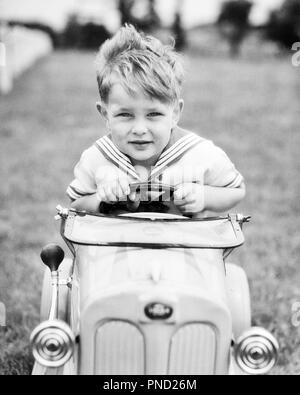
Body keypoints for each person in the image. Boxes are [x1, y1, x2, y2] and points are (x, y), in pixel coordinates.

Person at [67, 24, 245, 216]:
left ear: (175, 113)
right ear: (105, 115)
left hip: (183, 244)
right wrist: (101, 200)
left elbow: (235, 190)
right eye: (125, 115)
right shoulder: (97, 158)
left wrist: (204, 196)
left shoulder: (198, 153)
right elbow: (76, 206)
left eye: (153, 115)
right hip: (116, 244)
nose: (140, 129)